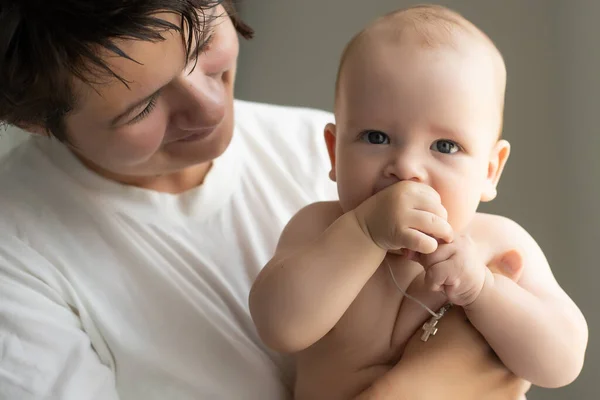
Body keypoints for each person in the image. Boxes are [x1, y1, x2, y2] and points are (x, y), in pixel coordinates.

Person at [0, 1, 530, 399]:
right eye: (142, 108)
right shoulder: (18, 256)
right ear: (32, 121)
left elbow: (555, 357)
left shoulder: (343, 152)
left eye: (204, 47)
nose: (209, 108)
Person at [249, 5, 589, 400]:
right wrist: (362, 233)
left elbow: (562, 362)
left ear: (490, 170)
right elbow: (280, 327)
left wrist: (482, 291)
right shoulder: (318, 229)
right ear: (334, 153)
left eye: (446, 146)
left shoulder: (498, 243)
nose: (407, 167)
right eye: (376, 137)